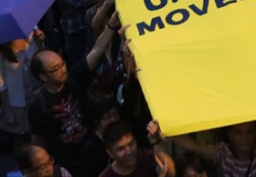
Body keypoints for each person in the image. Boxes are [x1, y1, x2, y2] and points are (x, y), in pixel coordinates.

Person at [29, 14, 118, 172]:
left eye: (62, 63)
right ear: (43, 76)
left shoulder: (73, 79)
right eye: (56, 68)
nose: (63, 69)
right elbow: (37, 140)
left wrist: (111, 25)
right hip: (66, 163)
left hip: (91, 149)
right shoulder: (37, 104)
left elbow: (96, 51)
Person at [100, 121, 175, 177]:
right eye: (121, 149)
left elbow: (170, 172)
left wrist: (155, 141)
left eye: (131, 144)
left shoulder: (147, 157)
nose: (129, 152)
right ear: (110, 152)